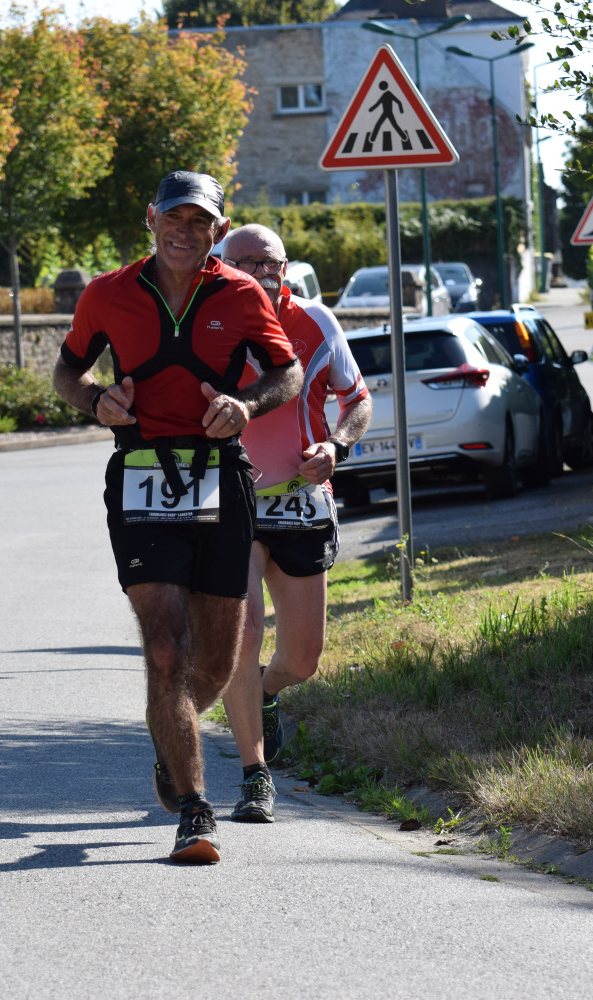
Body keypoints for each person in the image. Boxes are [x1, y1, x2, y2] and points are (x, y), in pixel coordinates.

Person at [53, 170, 302, 863]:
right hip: (140, 474)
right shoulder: (107, 293)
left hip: (219, 474)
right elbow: (67, 373)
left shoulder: (242, 294)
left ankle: (171, 737)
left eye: (200, 222)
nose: (185, 233)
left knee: (216, 660)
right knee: (166, 647)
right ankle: (196, 810)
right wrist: (95, 400)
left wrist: (247, 404)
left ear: (218, 230)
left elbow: (288, 372)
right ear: (151, 219)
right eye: (174, 218)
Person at [219, 224, 373, 823]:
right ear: (223, 265)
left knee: (304, 657)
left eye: (271, 262)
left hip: (301, 502)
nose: (261, 271)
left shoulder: (316, 321)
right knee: (245, 630)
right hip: (230, 500)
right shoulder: (210, 322)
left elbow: (356, 399)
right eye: (246, 261)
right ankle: (255, 775)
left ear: (286, 268)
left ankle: (266, 690)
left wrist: (336, 445)